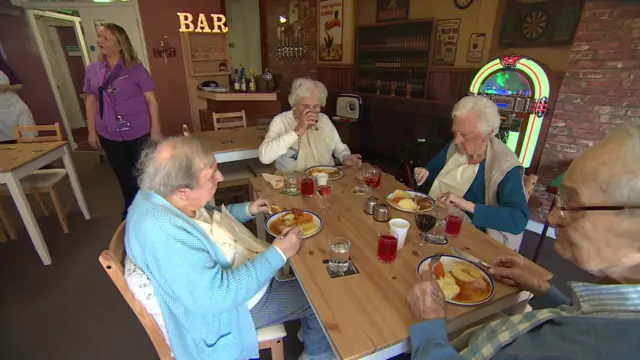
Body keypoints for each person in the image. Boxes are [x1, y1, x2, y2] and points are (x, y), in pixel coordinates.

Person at [407, 125, 640, 359]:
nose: (551, 217)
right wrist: (542, 290)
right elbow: (581, 316)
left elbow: (518, 219)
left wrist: (430, 326)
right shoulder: (614, 308)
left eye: (572, 204)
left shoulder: (604, 348)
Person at [125, 136, 335, 360]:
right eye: (211, 175)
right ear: (183, 191)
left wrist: (247, 210)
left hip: (233, 282)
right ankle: (317, 353)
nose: (221, 177)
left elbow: (208, 217)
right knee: (322, 296)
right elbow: (218, 297)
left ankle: (312, 331)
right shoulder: (164, 233)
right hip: (229, 313)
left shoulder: (162, 194)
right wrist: (279, 253)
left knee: (307, 273)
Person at [413, 96, 528, 250]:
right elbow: (432, 178)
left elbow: (518, 220)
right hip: (438, 225)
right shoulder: (456, 147)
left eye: (465, 135)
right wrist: (424, 173)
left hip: (475, 241)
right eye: (455, 133)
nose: (456, 141)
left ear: (488, 134)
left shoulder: (505, 166)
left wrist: (467, 205)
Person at [83, 23, 161, 219]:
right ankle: (132, 212)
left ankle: (152, 212)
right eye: (99, 37)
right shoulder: (93, 70)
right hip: (108, 133)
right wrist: (91, 131)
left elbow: (151, 100)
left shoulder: (135, 69)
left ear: (119, 44)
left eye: (105, 38)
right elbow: (91, 100)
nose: (99, 41)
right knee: (123, 176)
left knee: (144, 174)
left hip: (138, 131)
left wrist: (156, 128)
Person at [258, 77, 362, 172]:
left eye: (316, 106)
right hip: (292, 182)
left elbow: (339, 147)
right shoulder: (281, 121)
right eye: (305, 106)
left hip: (326, 178)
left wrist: (345, 157)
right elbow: (264, 157)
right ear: (294, 104)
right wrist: (296, 131)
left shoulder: (324, 119)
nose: (311, 111)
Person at [0, 56, 36, 144]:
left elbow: (19, 85)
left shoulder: (3, 66)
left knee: (27, 138)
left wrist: (7, 87)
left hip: (15, 106)